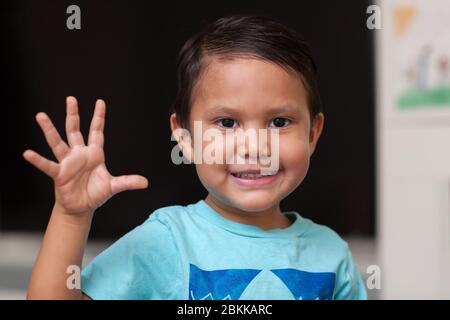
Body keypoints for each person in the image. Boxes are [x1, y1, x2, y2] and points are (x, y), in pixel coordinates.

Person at [23, 14, 367, 300]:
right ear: (185, 137)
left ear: (312, 134)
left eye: (279, 122)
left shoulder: (331, 254)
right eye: (227, 122)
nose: (254, 145)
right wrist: (71, 216)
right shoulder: (167, 240)